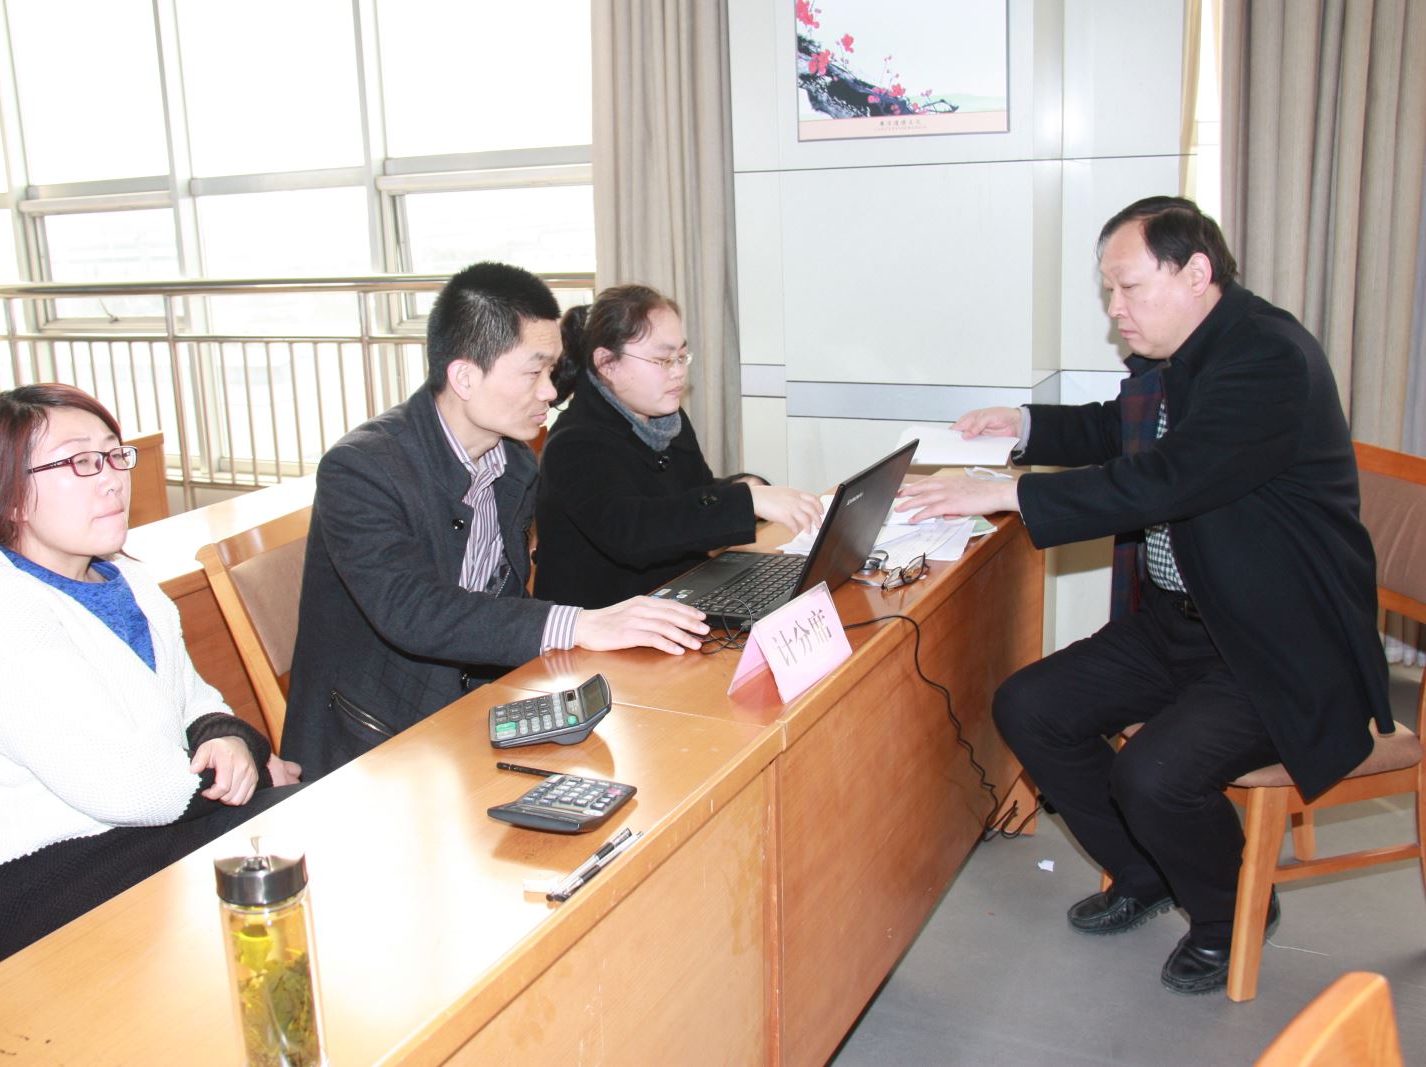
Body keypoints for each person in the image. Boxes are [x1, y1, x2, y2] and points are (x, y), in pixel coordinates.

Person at [896, 196, 1389, 994]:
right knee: (1031, 707)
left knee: (1153, 774)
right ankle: (1147, 869)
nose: (1115, 309)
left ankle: (1229, 910)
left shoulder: (1266, 358)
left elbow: (1168, 475)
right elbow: (1123, 428)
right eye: (1108, 292)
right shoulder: (1186, 350)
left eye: (1128, 288)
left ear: (1196, 273)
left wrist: (1007, 492)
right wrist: (1021, 425)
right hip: (1182, 623)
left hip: (1273, 641)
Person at [0, 384, 301, 966]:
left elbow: (196, 700)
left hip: (142, 834)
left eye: (115, 454)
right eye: (79, 462)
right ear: (10, 495)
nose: (113, 479)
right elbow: (132, 788)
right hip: (48, 885)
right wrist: (254, 766)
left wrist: (230, 739)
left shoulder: (125, 577)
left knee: (321, 818)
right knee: (307, 827)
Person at [282, 263, 709, 777]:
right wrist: (581, 623)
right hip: (376, 741)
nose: (550, 392)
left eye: (552, 371)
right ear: (464, 377)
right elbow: (415, 612)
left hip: (472, 710)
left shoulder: (514, 463)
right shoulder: (361, 468)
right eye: (533, 373)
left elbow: (501, 598)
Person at [533, 284, 823, 608]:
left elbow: (692, 496)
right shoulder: (574, 443)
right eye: (663, 360)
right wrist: (745, 501)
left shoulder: (666, 419)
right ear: (607, 363)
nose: (679, 373)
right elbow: (635, 532)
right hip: (607, 620)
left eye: (682, 357)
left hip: (680, 596)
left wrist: (745, 486)